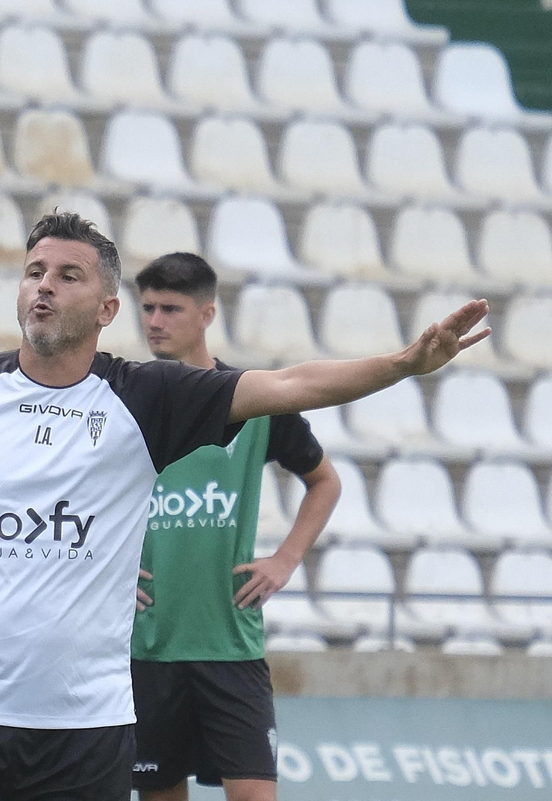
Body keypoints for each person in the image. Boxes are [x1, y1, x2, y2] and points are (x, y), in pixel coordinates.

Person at [0, 212, 487, 800]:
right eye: (34, 272)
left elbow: (290, 383)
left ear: (107, 309)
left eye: (67, 274)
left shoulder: (148, 396)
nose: (44, 285)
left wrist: (402, 363)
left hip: (85, 733)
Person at [130, 253, 342, 801]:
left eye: (170, 309)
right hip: (148, 650)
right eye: (148, 307)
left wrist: (286, 559)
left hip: (232, 649)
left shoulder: (254, 401)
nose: (154, 320)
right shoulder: (127, 401)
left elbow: (325, 482)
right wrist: (104, 571)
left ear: (206, 314)